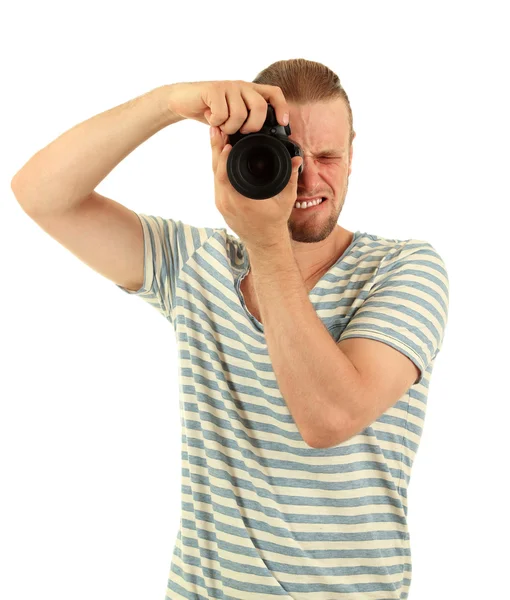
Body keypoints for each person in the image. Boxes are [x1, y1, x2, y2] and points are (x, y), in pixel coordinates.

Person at [12, 58, 449, 600]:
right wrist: (169, 103)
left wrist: (265, 243)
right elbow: (42, 194)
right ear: (244, 156)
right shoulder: (197, 263)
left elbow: (328, 418)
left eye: (329, 156)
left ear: (354, 154)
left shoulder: (404, 269)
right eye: (288, 156)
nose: (309, 179)